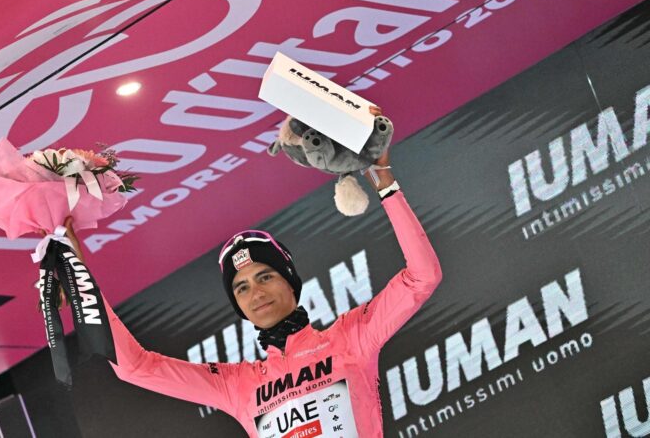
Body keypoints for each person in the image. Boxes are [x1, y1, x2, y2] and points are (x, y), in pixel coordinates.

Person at [60, 106, 442, 438]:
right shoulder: (236, 384)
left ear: (291, 282)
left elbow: (423, 277)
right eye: (241, 288)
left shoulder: (351, 339)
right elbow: (136, 367)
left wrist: (385, 181)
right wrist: (79, 281)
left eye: (264, 276)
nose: (255, 293)